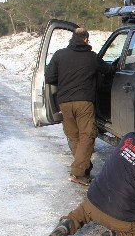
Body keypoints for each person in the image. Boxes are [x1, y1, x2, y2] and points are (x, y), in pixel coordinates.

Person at [45, 27, 116, 185]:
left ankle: (84, 168)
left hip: (64, 103)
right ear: (85, 39)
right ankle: (78, 173)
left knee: (74, 136)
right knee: (87, 135)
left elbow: (49, 77)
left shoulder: (59, 55)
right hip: (84, 102)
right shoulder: (91, 57)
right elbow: (108, 70)